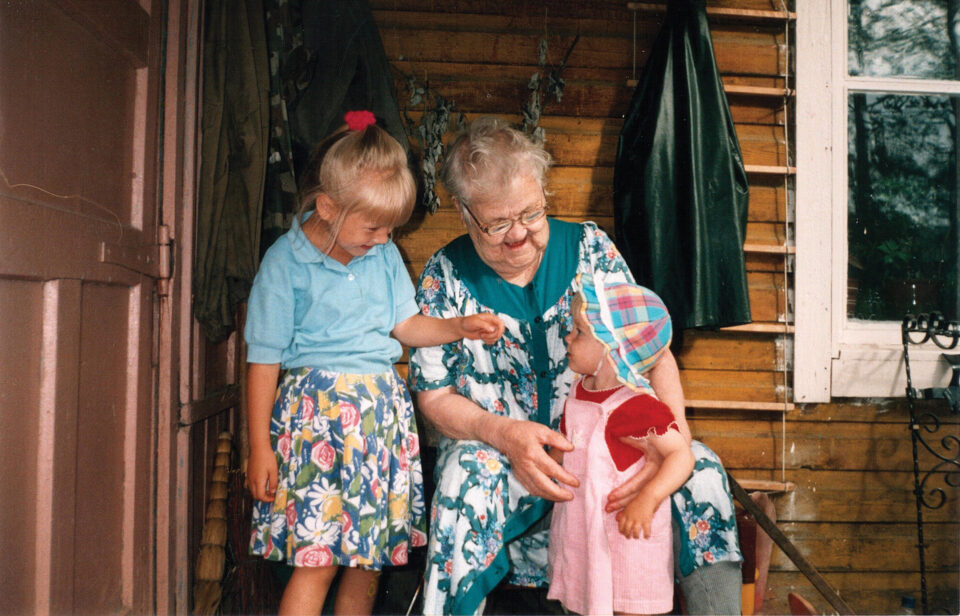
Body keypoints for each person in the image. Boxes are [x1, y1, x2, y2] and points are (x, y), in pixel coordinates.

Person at [409, 116, 742, 616]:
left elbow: (654, 354)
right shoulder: (444, 277)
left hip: (608, 451)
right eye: (498, 223)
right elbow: (433, 395)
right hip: (503, 458)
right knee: (463, 477)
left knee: (700, 469)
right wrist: (503, 434)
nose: (518, 235)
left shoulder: (590, 249)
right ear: (462, 212)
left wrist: (666, 440)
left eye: (530, 213)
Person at [243, 111, 505, 616]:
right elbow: (263, 362)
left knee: (368, 560)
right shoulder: (285, 262)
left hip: (379, 425)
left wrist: (458, 326)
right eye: (374, 227)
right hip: (316, 427)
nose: (385, 239)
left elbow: (405, 328)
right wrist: (260, 449)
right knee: (316, 561)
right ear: (327, 206)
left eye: (391, 228)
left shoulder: (381, 257)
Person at [546, 273, 695, 615]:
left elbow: (680, 456)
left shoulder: (635, 406)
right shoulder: (580, 389)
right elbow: (567, 447)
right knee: (584, 598)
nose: (568, 337)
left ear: (612, 350)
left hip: (626, 536)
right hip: (583, 530)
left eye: (579, 332)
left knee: (624, 604)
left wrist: (649, 498)